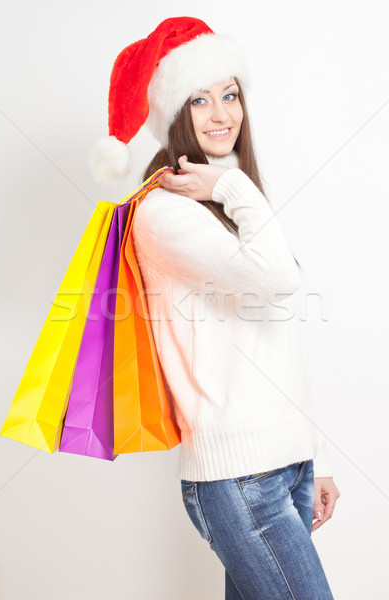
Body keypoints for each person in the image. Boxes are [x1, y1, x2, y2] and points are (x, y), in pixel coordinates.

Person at [89, 16, 340, 600]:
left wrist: (315, 456)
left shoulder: (225, 199)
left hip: (287, 464)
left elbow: (278, 330)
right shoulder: (165, 214)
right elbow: (277, 280)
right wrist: (233, 189)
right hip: (239, 477)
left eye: (230, 95)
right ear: (174, 113)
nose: (221, 114)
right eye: (199, 100)